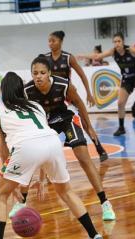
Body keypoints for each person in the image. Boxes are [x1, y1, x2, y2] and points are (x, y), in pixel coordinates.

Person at [0, 72, 105, 239]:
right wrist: (42, 176)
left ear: (3, 92)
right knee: (66, 191)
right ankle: (95, 238)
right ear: (22, 90)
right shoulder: (36, 106)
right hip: (53, 143)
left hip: (25, 146)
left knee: (0, 194)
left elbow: (4, 153)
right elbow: (42, 139)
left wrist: (11, 187)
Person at [9, 56, 116, 221]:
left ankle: (105, 203)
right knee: (30, 158)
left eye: (42, 73)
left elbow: (79, 103)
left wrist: (89, 128)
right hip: (45, 123)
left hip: (66, 119)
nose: (38, 76)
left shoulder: (63, 85)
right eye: (35, 73)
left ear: (49, 73)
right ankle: (21, 202)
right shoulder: (27, 91)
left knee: (83, 158)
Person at [45, 31, 108, 162]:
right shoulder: (45, 58)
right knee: (47, 126)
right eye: (49, 41)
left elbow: (82, 75)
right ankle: (48, 156)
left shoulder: (68, 57)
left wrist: (89, 93)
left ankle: (99, 148)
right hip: (52, 98)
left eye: (53, 41)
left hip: (68, 95)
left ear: (60, 42)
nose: (50, 43)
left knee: (85, 123)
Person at [78, 32, 135, 137]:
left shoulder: (131, 50)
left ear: (123, 42)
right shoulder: (113, 52)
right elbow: (97, 56)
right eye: (115, 42)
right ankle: (121, 127)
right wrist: (83, 55)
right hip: (127, 78)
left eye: (119, 41)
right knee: (120, 103)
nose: (117, 43)